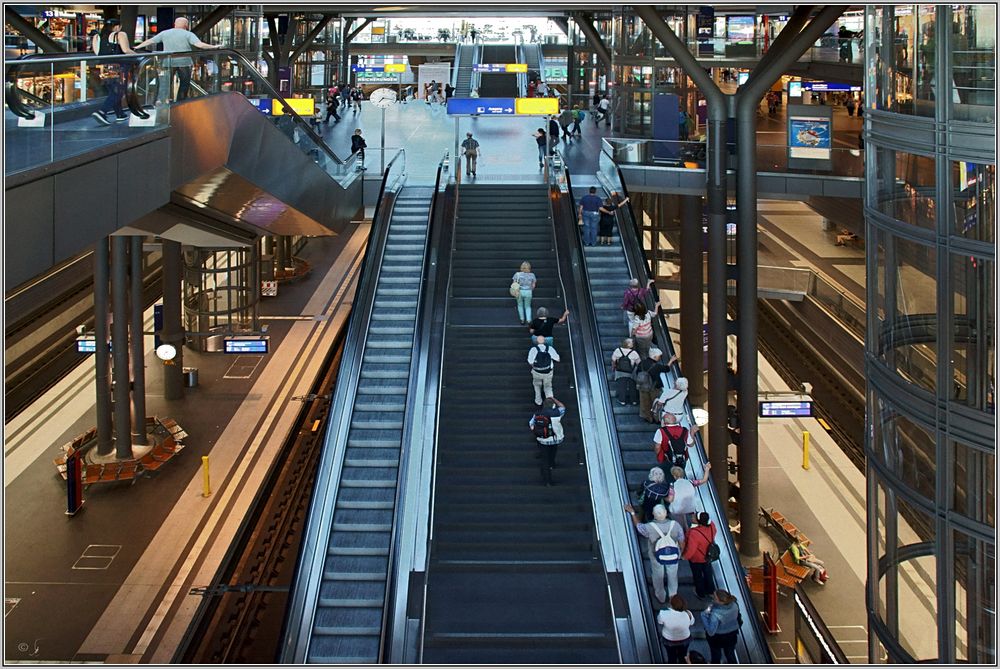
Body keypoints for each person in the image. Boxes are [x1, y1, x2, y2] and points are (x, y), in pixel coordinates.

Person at [134, 17, 223, 102]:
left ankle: (161, 101)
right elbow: (200, 45)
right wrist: (213, 47)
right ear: (186, 25)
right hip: (184, 63)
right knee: (184, 84)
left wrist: (137, 47)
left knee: (165, 84)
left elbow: (151, 41)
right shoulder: (188, 34)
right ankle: (180, 102)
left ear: (174, 24)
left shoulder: (165, 33)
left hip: (168, 62)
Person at [625, 503, 685, 603]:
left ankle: (660, 596)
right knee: (673, 576)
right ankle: (673, 596)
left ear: (653, 514)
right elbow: (681, 541)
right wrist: (681, 553)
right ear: (666, 513)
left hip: (656, 555)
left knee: (657, 575)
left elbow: (639, 527)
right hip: (673, 554)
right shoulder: (676, 525)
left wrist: (632, 512)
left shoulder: (650, 527)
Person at [91, 19, 135, 125]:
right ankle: (102, 112)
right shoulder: (120, 34)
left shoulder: (97, 37)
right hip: (119, 66)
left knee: (113, 91)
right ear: (117, 27)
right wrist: (137, 55)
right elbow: (126, 50)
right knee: (119, 90)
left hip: (104, 67)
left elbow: (97, 53)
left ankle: (120, 114)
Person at [530, 397, 566, 486]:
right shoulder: (557, 413)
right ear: (553, 405)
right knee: (553, 450)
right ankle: (552, 463)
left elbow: (531, 424)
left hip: (542, 440)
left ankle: (547, 481)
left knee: (544, 459)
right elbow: (562, 407)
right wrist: (554, 399)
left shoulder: (538, 414)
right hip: (555, 438)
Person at [683, 511, 718, 599]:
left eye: (694, 517)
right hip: (708, 556)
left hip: (697, 558)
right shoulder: (711, 526)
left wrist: (684, 557)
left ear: (698, 522)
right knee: (708, 573)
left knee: (698, 576)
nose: (692, 517)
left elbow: (691, 549)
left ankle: (700, 593)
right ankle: (710, 591)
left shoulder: (694, 533)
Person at [701, 589, 742, 663]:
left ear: (721, 601)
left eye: (715, 597)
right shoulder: (734, 604)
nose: (713, 598)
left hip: (717, 638)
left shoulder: (715, 615)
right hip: (732, 635)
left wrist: (703, 615)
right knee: (730, 654)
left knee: (716, 655)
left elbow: (711, 632)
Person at [657, 595, 695, 663]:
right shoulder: (688, 613)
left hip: (669, 639)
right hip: (684, 638)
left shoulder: (663, 613)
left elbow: (660, 622)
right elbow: (692, 623)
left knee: (671, 656)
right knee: (683, 655)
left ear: (671, 604)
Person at [637, 348, 670, 423]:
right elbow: (666, 369)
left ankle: (648, 417)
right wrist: (670, 361)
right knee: (656, 403)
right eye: (659, 356)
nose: (659, 358)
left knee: (644, 402)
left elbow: (637, 372)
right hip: (654, 387)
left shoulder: (641, 363)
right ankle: (656, 418)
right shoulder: (657, 366)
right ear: (654, 357)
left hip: (642, 386)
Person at [527, 335, 561, 406]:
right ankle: (551, 403)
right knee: (548, 386)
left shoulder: (533, 349)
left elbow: (530, 361)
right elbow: (558, 359)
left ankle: (538, 401)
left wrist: (535, 366)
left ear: (536, 341)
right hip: (548, 371)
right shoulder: (550, 349)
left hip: (537, 372)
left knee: (537, 385)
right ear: (545, 341)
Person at [611, 339, 642, 406]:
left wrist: (613, 368)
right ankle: (634, 400)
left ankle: (622, 400)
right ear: (628, 345)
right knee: (632, 386)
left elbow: (613, 361)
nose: (633, 343)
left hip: (620, 372)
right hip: (631, 373)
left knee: (622, 386)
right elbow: (639, 363)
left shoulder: (617, 350)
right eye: (631, 343)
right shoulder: (634, 353)